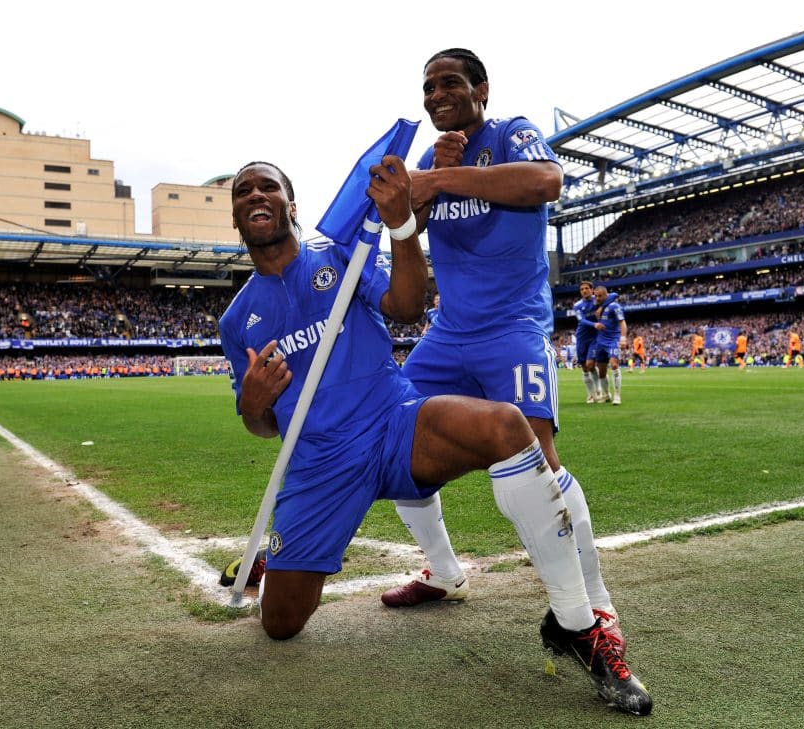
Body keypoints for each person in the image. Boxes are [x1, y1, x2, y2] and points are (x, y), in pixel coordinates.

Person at [218, 158, 651, 715]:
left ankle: (575, 622)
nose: (256, 194)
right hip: (320, 464)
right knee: (280, 625)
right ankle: (279, 566)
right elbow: (261, 424)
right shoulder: (237, 320)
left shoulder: (342, 257)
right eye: (243, 190)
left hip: (394, 423)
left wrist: (401, 227)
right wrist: (253, 404)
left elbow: (406, 305)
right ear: (234, 214)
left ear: (291, 204)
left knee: (505, 425)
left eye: (268, 186)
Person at [382, 48, 630, 658]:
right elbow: (405, 224)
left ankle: (594, 606)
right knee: (390, 438)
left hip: (513, 327)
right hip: (448, 332)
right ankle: (443, 570)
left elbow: (546, 182)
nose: (437, 94)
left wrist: (442, 179)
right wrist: (419, 190)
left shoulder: (511, 132)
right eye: (428, 87)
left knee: (538, 455)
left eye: (450, 83)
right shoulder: (429, 157)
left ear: (481, 89)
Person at [591, 286, 628, 406]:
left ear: (606, 295)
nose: (597, 298)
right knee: (601, 371)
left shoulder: (614, 306)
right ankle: (606, 395)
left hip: (613, 340)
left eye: (600, 295)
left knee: (614, 364)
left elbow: (622, 322)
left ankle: (617, 395)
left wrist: (623, 338)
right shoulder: (595, 305)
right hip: (600, 341)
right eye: (596, 296)